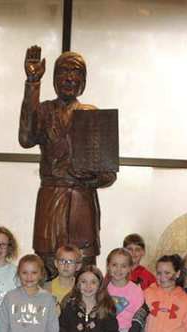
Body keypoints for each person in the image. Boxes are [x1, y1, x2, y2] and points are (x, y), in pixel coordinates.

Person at [19, 46, 117, 277]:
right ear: (54, 77)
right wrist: (32, 83)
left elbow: (109, 174)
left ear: (83, 80)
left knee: (85, 267)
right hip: (51, 196)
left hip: (82, 201)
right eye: (63, 71)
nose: (69, 77)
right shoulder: (44, 110)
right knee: (47, 263)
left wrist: (92, 177)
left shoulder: (91, 114)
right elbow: (26, 138)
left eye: (76, 72)